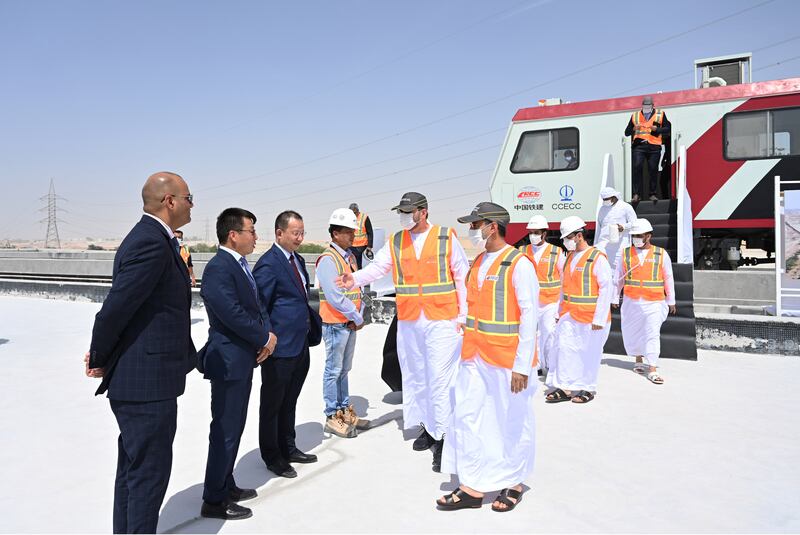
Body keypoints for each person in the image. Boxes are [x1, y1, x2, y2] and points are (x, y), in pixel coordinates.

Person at [83, 171, 196, 534]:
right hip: (146, 383)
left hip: (148, 378)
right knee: (148, 475)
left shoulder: (156, 239)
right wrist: (100, 356)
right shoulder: (150, 241)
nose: (193, 204)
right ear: (170, 201)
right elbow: (116, 308)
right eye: (189, 197)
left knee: (135, 470)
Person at [337, 192, 469, 472]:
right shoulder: (397, 240)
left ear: (423, 211)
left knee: (440, 379)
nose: (403, 216)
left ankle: (443, 437)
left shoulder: (446, 237)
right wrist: (354, 279)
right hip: (410, 321)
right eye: (401, 211)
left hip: (442, 320)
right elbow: (377, 268)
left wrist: (464, 315)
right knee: (417, 376)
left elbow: (461, 276)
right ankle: (427, 427)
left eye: (409, 212)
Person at [436, 202, 539, 513]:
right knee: (467, 416)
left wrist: (522, 365)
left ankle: (515, 482)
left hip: (508, 361)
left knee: (511, 421)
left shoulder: (518, 264)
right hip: (474, 355)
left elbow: (530, 318)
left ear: (492, 226)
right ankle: (472, 486)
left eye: (476, 224)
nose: (472, 230)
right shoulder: (478, 261)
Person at [197, 208, 276, 521]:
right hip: (228, 360)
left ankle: (225, 483)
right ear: (233, 235)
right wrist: (263, 337)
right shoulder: (219, 268)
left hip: (243, 358)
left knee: (234, 427)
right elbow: (231, 313)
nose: (255, 237)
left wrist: (267, 335)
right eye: (251, 231)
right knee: (225, 430)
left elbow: (256, 307)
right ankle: (213, 500)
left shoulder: (240, 265)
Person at [252, 210, 321, 478]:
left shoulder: (298, 260)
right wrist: (266, 338)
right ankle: (272, 455)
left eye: (302, 233)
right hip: (279, 347)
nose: (300, 238)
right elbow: (259, 306)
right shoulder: (269, 264)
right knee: (272, 403)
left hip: (300, 342)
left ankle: (288, 446)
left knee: (290, 400)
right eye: (295, 233)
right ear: (279, 233)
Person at [545, 216, 613, 405]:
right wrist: (559, 313)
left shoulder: (597, 258)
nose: (566, 241)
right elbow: (563, 288)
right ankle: (566, 387)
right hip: (570, 314)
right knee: (566, 349)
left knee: (588, 353)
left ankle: (588, 388)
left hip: (592, 319)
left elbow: (607, 288)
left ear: (579, 236)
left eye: (568, 237)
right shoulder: (569, 257)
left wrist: (599, 318)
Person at [315, 208, 369, 438]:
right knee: (333, 370)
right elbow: (335, 297)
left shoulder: (349, 257)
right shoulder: (328, 259)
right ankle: (332, 415)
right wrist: (356, 317)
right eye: (348, 233)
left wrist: (360, 314)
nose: (352, 237)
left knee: (344, 370)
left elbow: (357, 289)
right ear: (335, 233)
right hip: (336, 323)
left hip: (349, 323)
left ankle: (344, 410)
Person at [612, 218, 677, 385]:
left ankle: (653, 368)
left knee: (651, 332)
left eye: (639, 235)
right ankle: (638, 359)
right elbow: (618, 278)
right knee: (632, 332)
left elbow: (668, 277)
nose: (636, 239)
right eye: (634, 236)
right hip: (631, 300)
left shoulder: (661, 254)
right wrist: (614, 297)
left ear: (649, 236)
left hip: (654, 301)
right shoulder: (626, 253)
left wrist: (671, 300)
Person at [519, 215, 565, 376]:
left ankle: (550, 366)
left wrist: (561, 305)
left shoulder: (556, 251)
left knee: (549, 334)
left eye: (536, 232)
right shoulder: (522, 251)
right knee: (530, 334)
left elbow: (564, 278)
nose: (533, 235)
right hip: (530, 302)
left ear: (544, 234)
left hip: (550, 302)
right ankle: (536, 365)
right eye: (531, 232)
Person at [625, 96, 671, 201]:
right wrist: (633, 129)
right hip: (639, 146)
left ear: (652, 106)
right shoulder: (635, 115)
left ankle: (652, 194)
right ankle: (636, 194)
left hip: (654, 146)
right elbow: (626, 132)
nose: (646, 107)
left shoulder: (660, 114)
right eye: (645, 105)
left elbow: (668, 128)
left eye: (648, 105)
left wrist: (658, 129)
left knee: (653, 170)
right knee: (637, 168)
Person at [594, 187, 637, 270]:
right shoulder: (602, 209)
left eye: (607, 199)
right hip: (603, 244)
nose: (605, 201)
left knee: (619, 269)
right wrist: (596, 244)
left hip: (620, 245)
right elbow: (599, 228)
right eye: (603, 199)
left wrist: (623, 227)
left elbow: (634, 223)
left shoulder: (625, 207)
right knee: (603, 269)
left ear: (614, 197)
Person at [348, 202, 373, 269]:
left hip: (362, 246)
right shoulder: (348, 218)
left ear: (358, 211)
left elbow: (370, 232)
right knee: (351, 265)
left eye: (355, 212)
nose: (353, 214)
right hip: (351, 245)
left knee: (358, 264)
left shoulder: (364, 217)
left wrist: (369, 246)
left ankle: (359, 277)